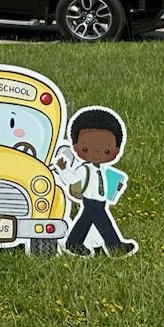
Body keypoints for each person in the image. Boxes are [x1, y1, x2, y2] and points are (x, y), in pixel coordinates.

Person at [54, 106, 137, 256]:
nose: (97, 154)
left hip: (100, 200)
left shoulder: (103, 171)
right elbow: (71, 178)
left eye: (106, 151)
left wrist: (116, 188)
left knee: (84, 222)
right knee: (104, 223)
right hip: (91, 200)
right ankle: (115, 246)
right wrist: (64, 169)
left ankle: (73, 243)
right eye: (87, 149)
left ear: (116, 150)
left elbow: (107, 184)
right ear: (76, 147)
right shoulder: (84, 169)